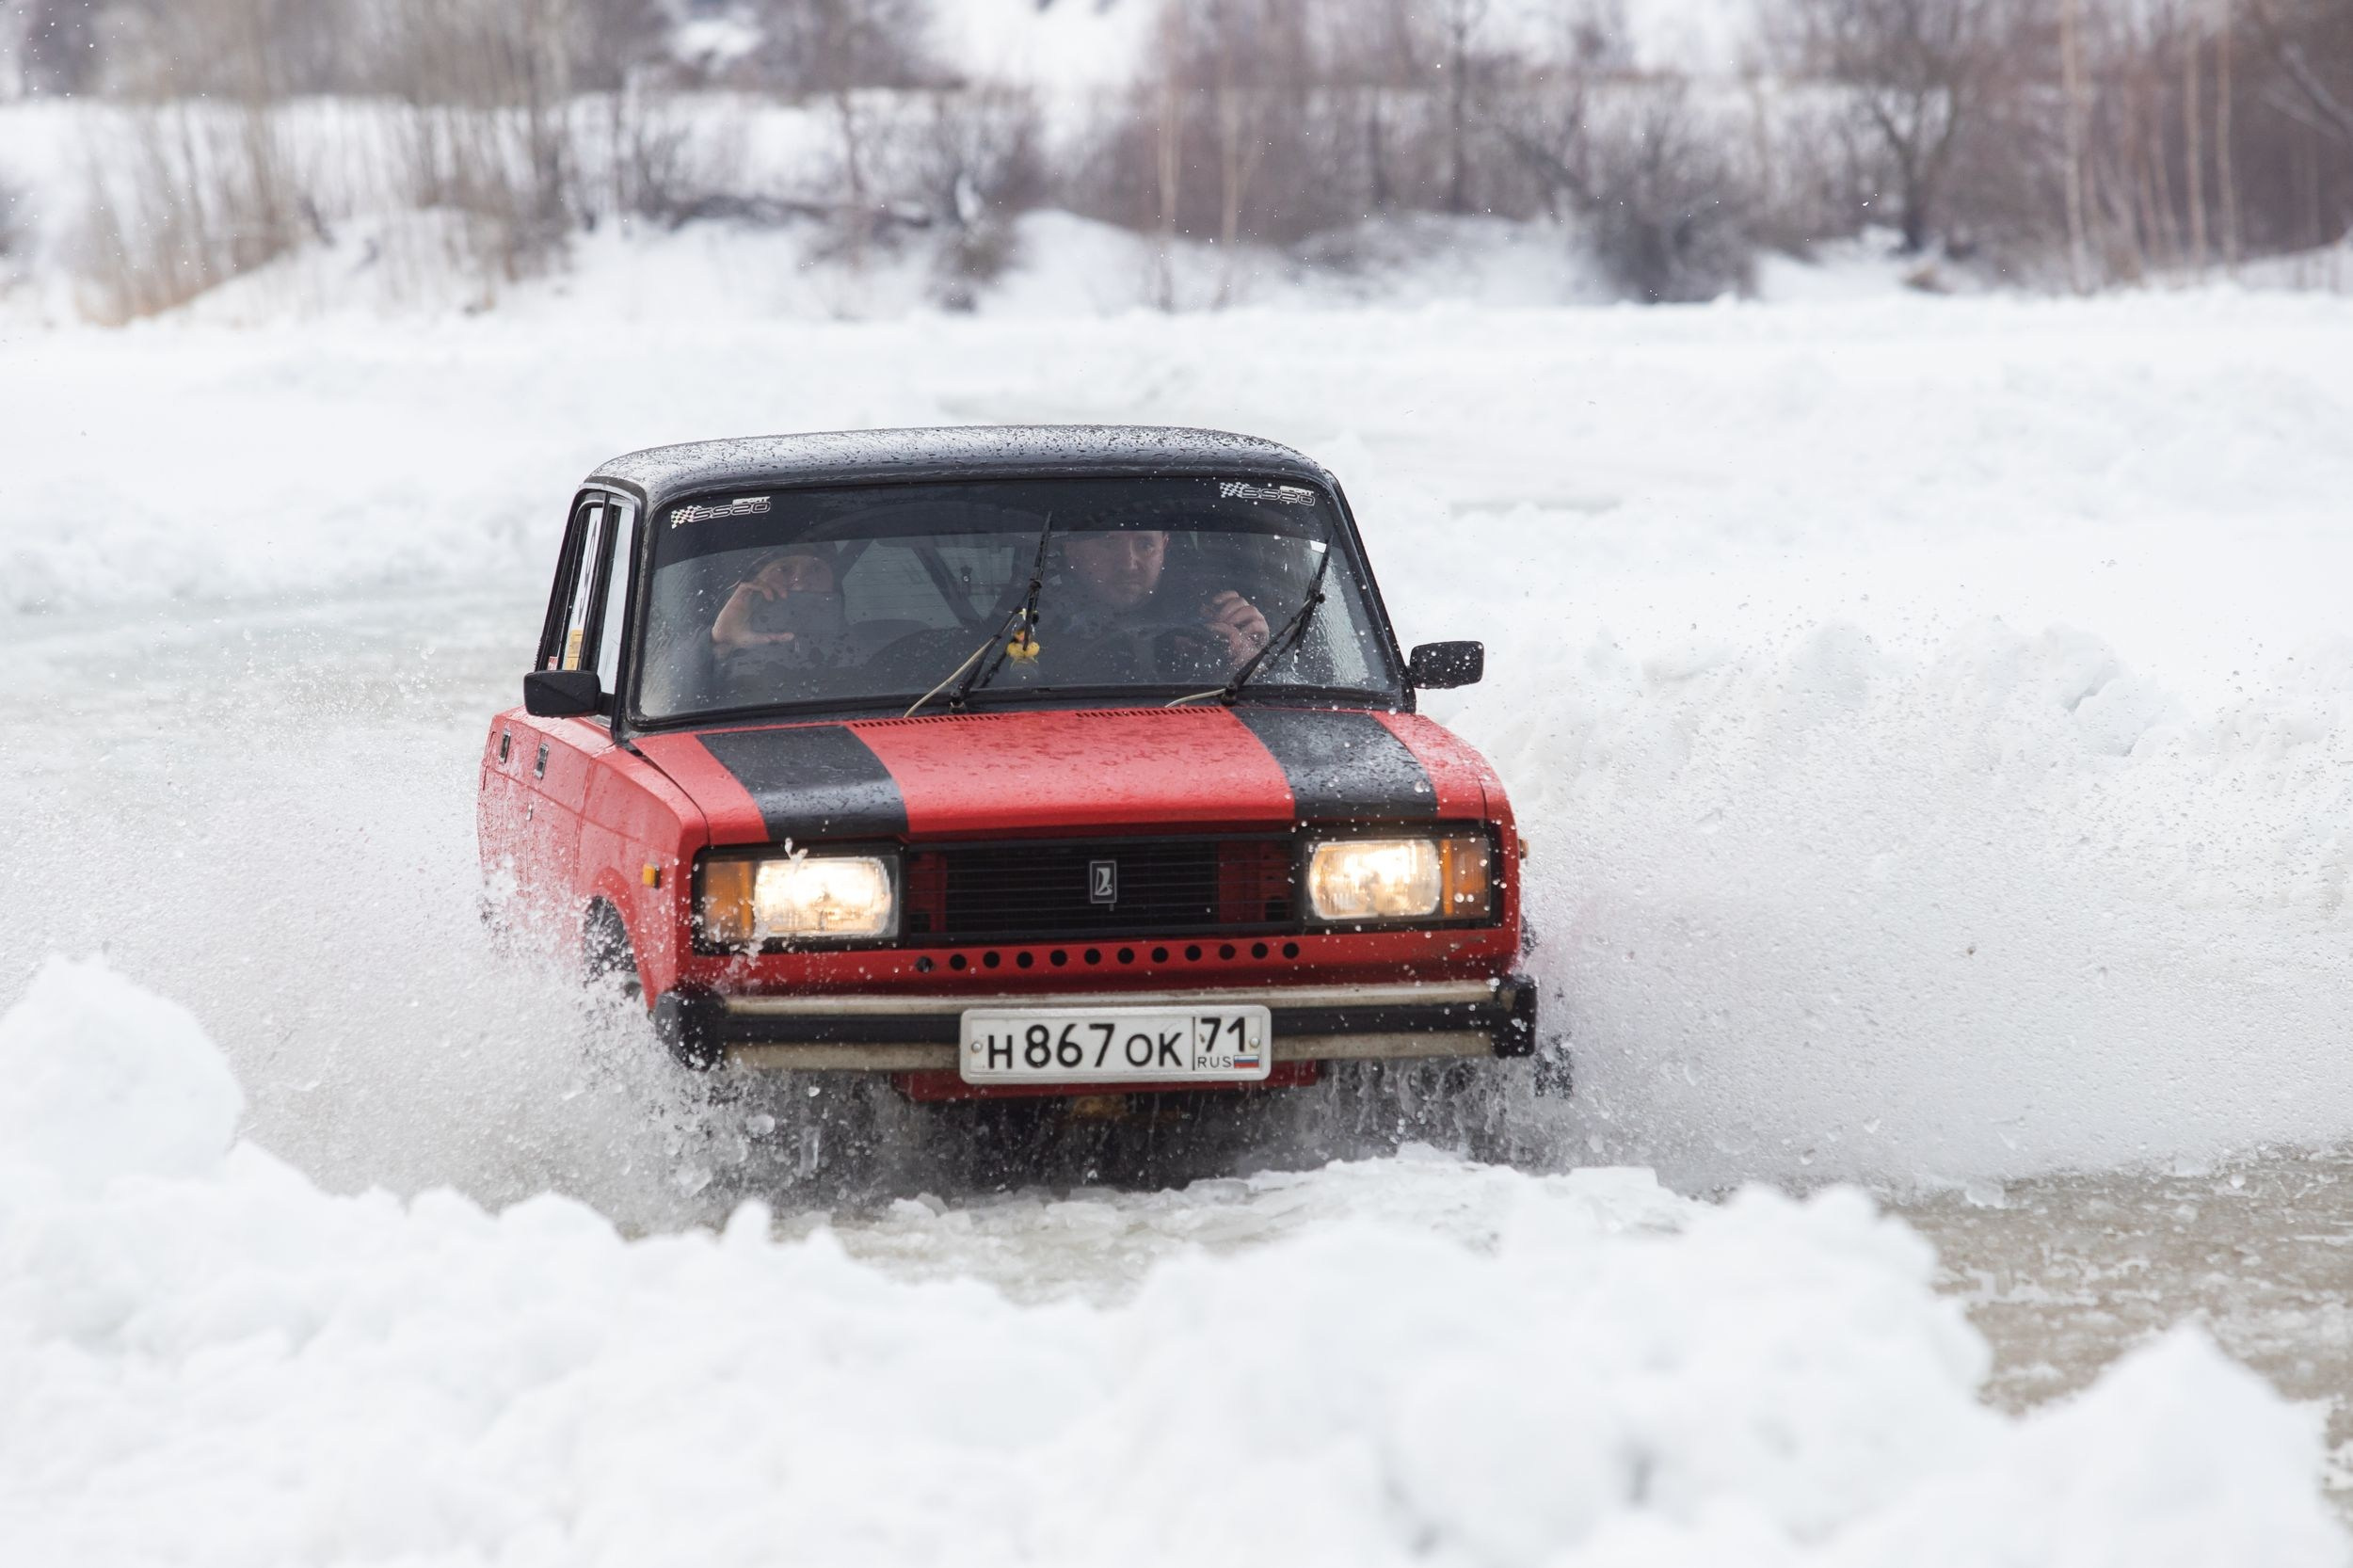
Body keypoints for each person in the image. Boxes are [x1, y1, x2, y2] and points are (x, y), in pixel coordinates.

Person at [1050, 529, 1270, 677]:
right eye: (1109, 542)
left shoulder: (1207, 617)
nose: (1128, 564)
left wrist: (1249, 664)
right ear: (1071, 548)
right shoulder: (1034, 621)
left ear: (1164, 546)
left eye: (1145, 544)